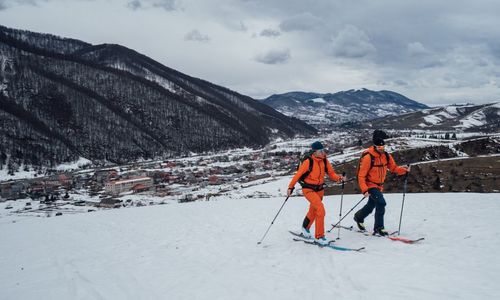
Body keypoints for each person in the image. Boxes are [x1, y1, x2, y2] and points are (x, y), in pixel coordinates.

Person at [354, 130, 410, 236]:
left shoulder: (386, 156)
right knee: (381, 203)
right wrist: (365, 189)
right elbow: (361, 176)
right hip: (370, 185)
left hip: (379, 185)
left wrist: (404, 170)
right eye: (379, 147)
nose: (381, 149)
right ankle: (379, 228)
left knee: (371, 205)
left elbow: (393, 168)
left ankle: (359, 217)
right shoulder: (368, 157)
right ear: (375, 146)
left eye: (383, 147)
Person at [287, 141, 344, 245]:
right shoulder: (308, 161)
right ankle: (319, 237)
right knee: (320, 210)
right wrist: (290, 187)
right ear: (314, 152)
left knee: (313, 210)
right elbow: (298, 175)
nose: (323, 153)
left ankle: (305, 228)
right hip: (308, 189)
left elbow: (331, 173)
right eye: (320, 151)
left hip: (320, 190)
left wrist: (339, 178)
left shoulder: (324, 161)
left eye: (323, 150)